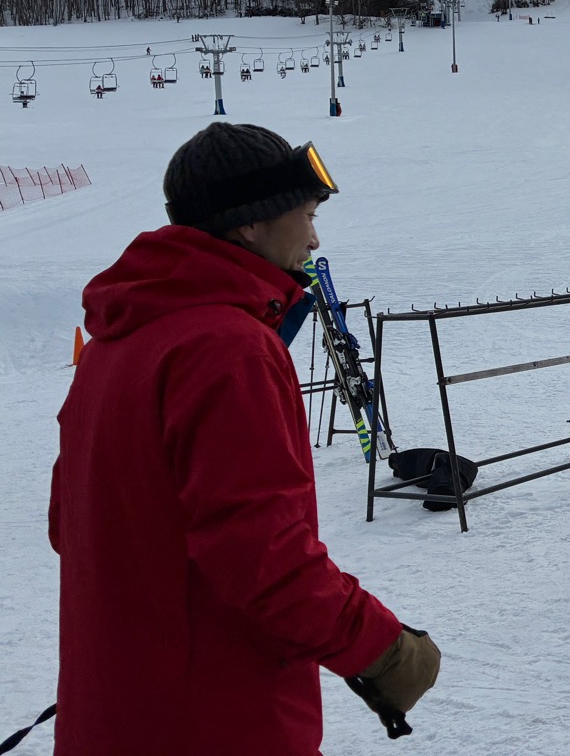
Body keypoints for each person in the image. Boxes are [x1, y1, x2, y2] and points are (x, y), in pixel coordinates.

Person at [50, 123, 439, 755]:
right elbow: (265, 560)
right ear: (250, 223)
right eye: (306, 216)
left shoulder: (113, 345)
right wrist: (385, 651)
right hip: (214, 721)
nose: (314, 237)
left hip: (115, 710)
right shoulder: (228, 348)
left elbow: (73, 527)